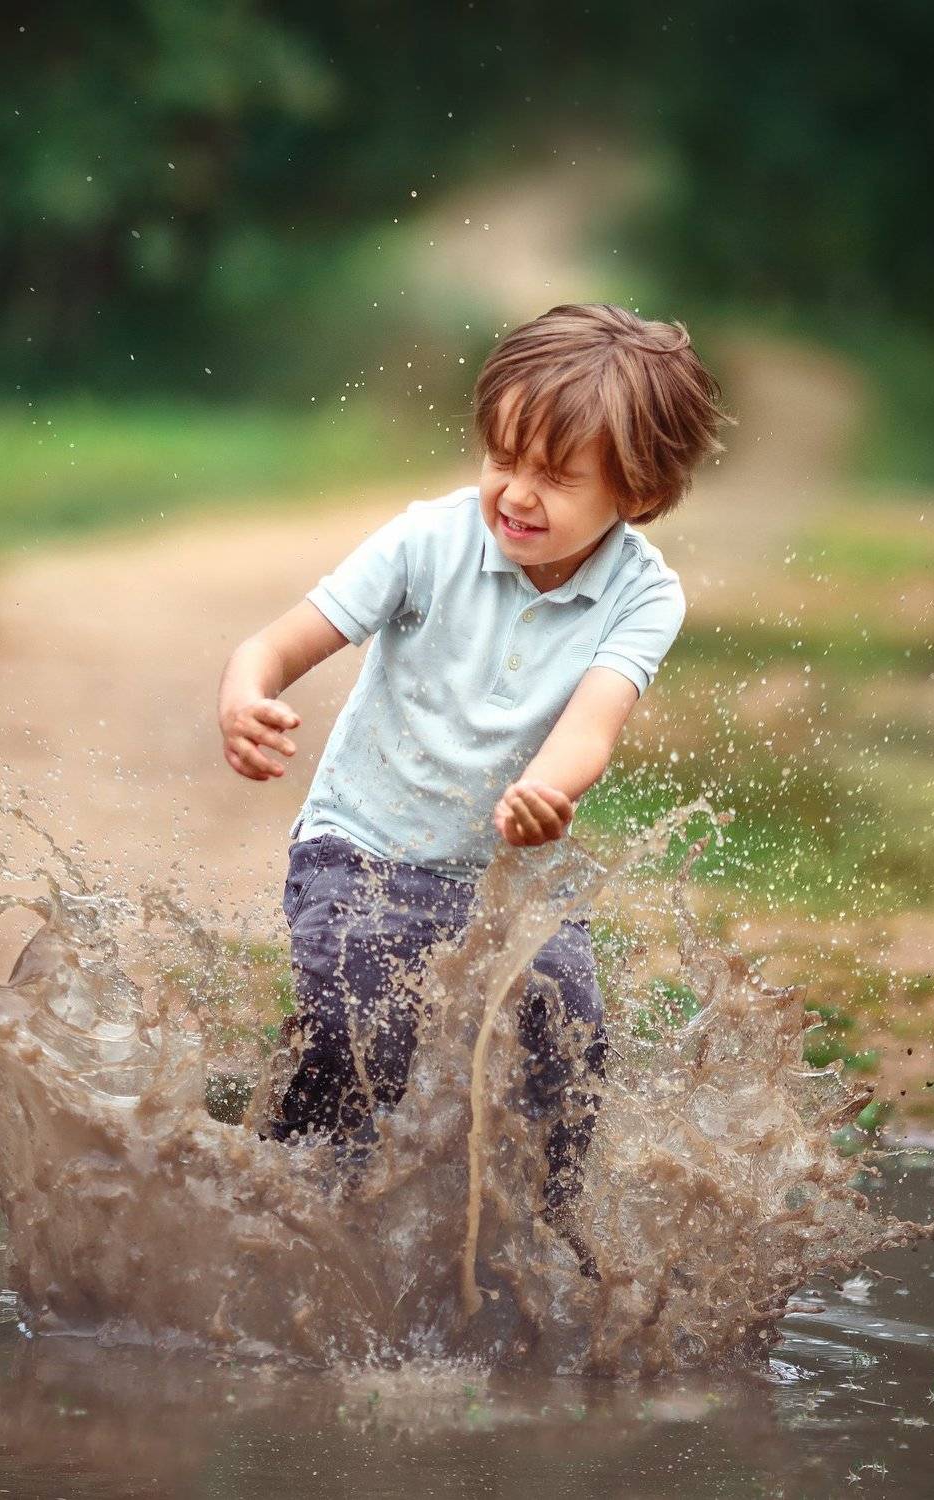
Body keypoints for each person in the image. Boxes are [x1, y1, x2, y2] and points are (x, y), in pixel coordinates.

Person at [216, 302, 732, 1234]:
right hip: (360, 848)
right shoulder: (429, 541)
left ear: (639, 492)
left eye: (556, 477)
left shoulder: (646, 595)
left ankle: (536, 1248)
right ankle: (277, 1214)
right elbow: (276, 644)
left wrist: (549, 793)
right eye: (502, 459)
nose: (516, 495)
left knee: (568, 1057)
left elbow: (592, 726)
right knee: (357, 1036)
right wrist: (245, 693)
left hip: (515, 879)